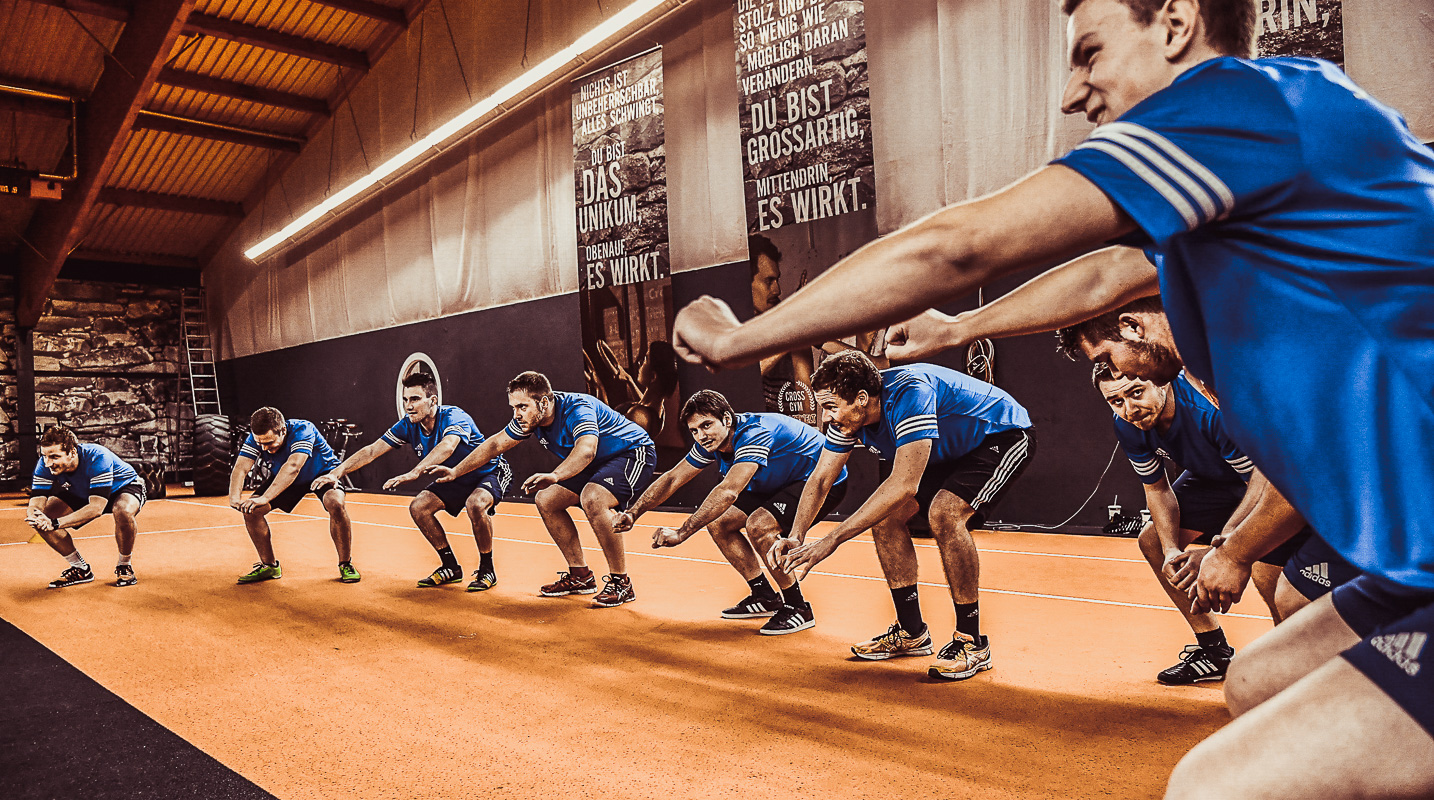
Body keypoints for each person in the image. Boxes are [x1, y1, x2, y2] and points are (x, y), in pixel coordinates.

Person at [673, 0, 1434, 791]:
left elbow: (959, 244)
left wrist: (740, 339)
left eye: (1090, 54)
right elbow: (1105, 275)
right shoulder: (1243, 183)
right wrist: (952, 330)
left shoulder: (1243, 105)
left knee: (1217, 785)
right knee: (1256, 682)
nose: (1074, 94)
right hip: (1412, 573)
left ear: (1175, 23)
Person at [771, 352, 1035, 681]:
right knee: (885, 519)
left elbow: (904, 484)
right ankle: (912, 632)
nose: (826, 418)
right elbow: (822, 477)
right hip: (943, 449)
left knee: (944, 513)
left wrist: (832, 539)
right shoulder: (849, 418)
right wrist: (796, 535)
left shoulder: (911, 393)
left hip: (998, 434)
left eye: (830, 406)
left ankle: (972, 642)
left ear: (862, 399)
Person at [1091, 360, 1317, 684]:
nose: (1129, 408)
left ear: (1161, 381)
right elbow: (1157, 490)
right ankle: (1214, 652)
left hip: (1261, 478)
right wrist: (1170, 550)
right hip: (1212, 480)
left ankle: (1298, 670)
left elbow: (1260, 478)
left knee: (1267, 569)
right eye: (1116, 401)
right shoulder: (1128, 424)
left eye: (1136, 393)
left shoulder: (1206, 410)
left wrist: (1225, 547)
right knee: (1152, 541)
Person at [613, 390, 849, 634]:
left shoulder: (755, 433)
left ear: (727, 419)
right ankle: (764, 596)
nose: (701, 436)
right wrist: (633, 512)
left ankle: (798, 607)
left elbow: (729, 491)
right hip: (777, 480)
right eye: (694, 431)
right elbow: (673, 478)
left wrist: (682, 532)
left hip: (820, 481)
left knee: (759, 525)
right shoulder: (712, 441)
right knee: (719, 522)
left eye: (706, 425)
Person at [427, 371, 656, 608]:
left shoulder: (578, 408)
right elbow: (495, 444)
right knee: (547, 500)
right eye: (513, 407)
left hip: (632, 452)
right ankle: (580, 576)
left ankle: (622, 583)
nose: (516, 414)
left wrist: (556, 475)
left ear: (544, 402)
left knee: (594, 497)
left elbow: (587, 450)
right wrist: (456, 471)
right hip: (597, 461)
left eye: (522, 406)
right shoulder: (530, 420)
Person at [312, 373, 512, 591]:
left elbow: (448, 446)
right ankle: (450, 566)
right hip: (452, 477)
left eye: (415, 399)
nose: (408, 406)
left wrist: (416, 472)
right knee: (419, 507)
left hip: (488, 471)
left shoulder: (454, 416)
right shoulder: (408, 425)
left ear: (433, 401)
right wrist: (336, 472)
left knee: (475, 504)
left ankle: (487, 569)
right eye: (406, 399)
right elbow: (371, 451)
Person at [229, 407, 359, 584]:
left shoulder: (303, 429)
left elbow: (293, 466)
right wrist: (234, 497)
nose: (264, 448)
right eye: (260, 444)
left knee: (335, 503)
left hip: (322, 472)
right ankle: (269, 566)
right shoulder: (257, 437)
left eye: (269, 443)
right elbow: (241, 468)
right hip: (287, 477)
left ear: (283, 430)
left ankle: (345, 563)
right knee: (252, 511)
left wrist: (265, 497)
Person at [25, 425, 147, 588]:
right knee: (42, 518)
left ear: (72, 452)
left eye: (54, 457)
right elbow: (37, 500)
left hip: (123, 487)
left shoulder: (97, 456)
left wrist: (54, 523)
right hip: (83, 491)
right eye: (45, 456)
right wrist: (36, 516)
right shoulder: (44, 464)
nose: (48, 463)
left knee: (123, 510)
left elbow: (96, 507)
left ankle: (124, 565)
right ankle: (80, 569)